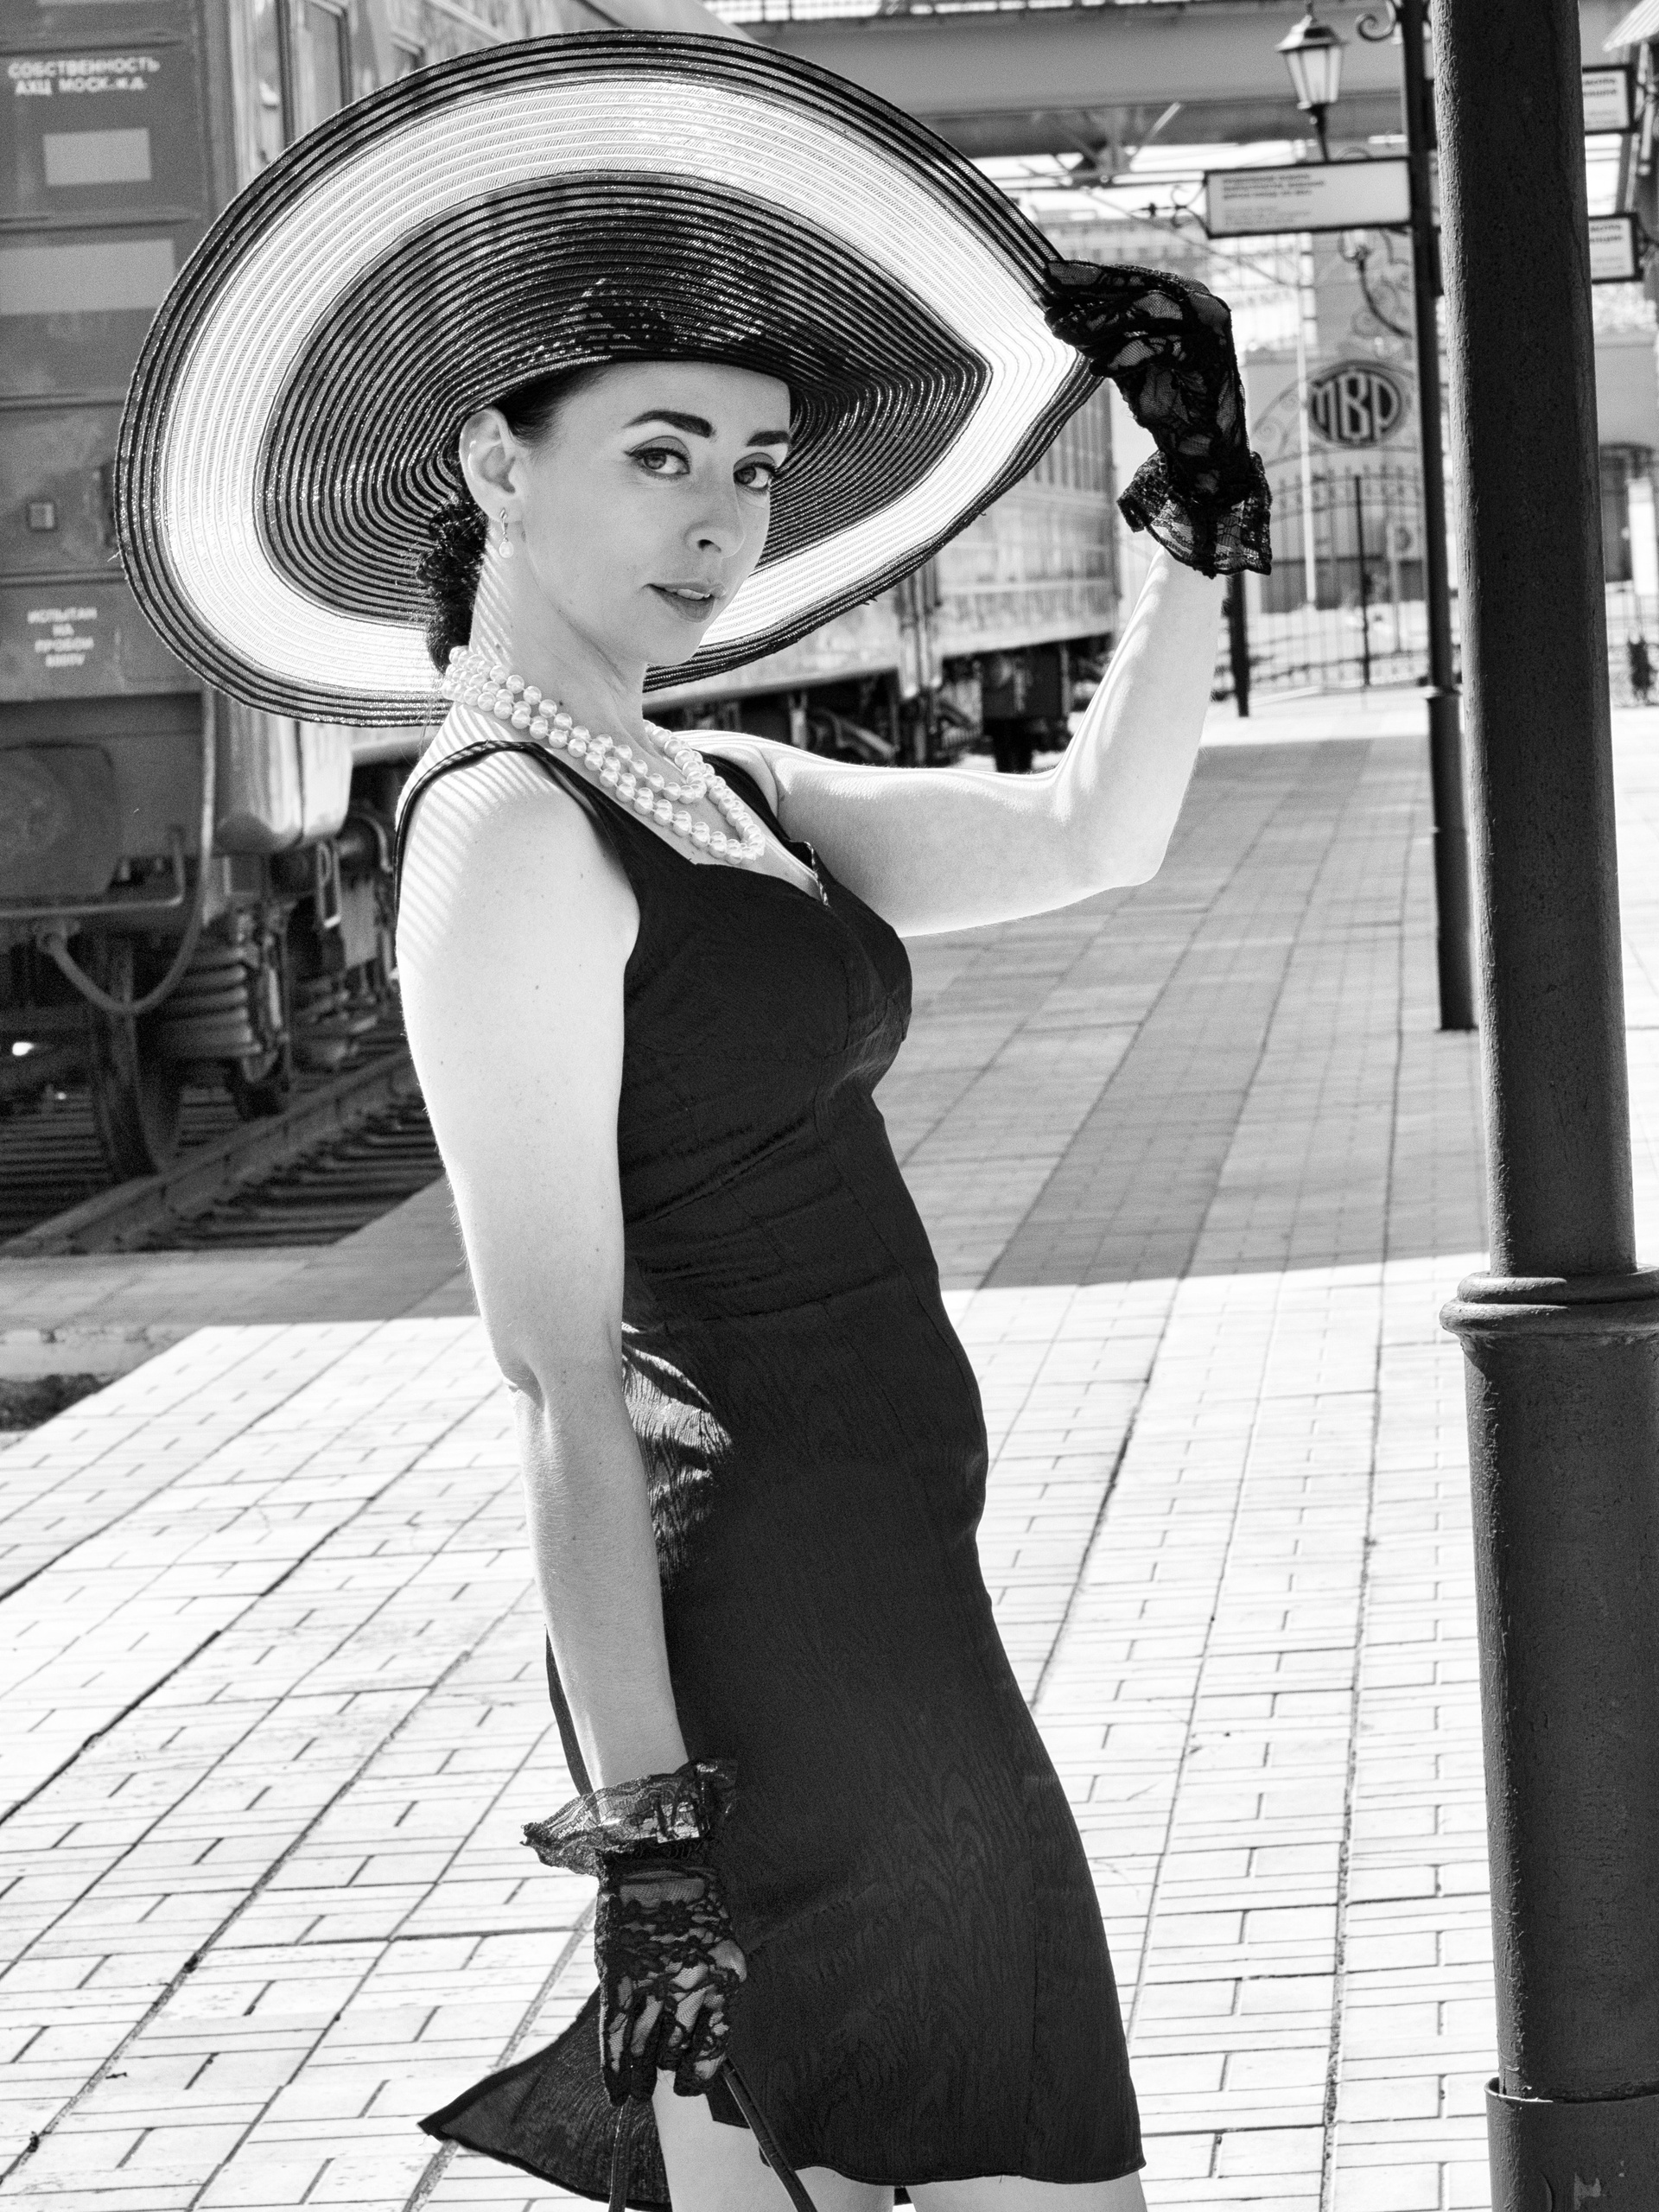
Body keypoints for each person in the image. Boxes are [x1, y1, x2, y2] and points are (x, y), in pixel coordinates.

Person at [115, 36, 1268, 2212]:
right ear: (496, 459)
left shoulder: (716, 785)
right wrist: (650, 1853)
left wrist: (1190, 512)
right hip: (769, 1645)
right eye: (659, 454)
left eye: (752, 464)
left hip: (891, 1582)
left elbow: (1095, 836)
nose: (724, 519)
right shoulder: (509, 832)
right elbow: (563, 1379)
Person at [1629, 630, 1653, 706]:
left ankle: (1643, 699)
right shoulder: (1636, 650)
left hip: (1642, 669)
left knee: (1643, 685)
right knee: (1637, 685)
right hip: (1638, 670)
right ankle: (1637, 699)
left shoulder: (1640, 650)